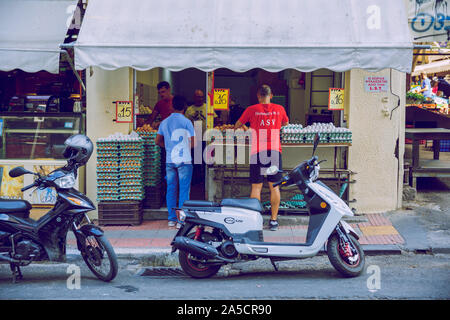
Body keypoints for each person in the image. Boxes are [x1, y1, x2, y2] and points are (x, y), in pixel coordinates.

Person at [234, 84, 289, 231]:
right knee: (274, 186)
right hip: (275, 152)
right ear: (271, 96)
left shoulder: (252, 110)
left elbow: (237, 125)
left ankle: (255, 220)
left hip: (257, 151)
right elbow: (286, 124)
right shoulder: (280, 109)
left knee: (256, 187)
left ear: (258, 96)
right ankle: (273, 221)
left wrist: (248, 128)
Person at [155, 95, 195, 228]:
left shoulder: (164, 122)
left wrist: (167, 147)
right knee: (184, 190)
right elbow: (193, 143)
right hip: (184, 160)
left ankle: (172, 218)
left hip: (170, 160)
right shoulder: (187, 122)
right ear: (185, 107)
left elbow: (157, 141)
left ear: (172, 106)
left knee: (171, 189)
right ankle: (181, 220)